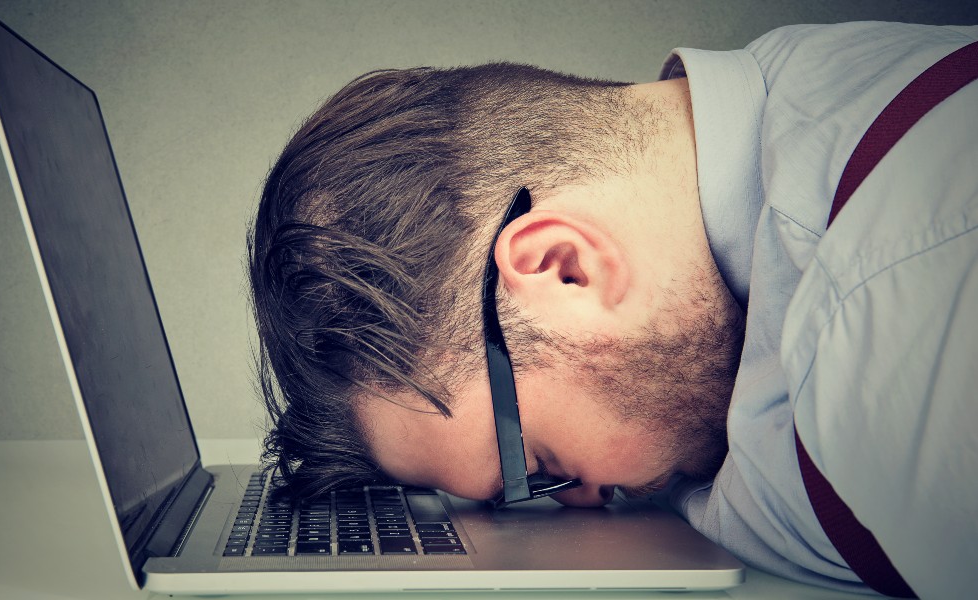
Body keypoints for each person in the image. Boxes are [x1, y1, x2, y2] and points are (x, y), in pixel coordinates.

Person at [248, 21, 978, 598]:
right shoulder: (808, 84)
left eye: (535, 468)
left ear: (563, 267)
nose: (584, 507)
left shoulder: (896, 319)